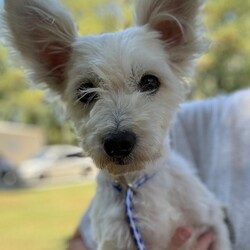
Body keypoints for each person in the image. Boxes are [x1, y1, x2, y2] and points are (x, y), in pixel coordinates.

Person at [68, 89, 250, 250]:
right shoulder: (215, 116)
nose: (119, 136)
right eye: (88, 93)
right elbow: (79, 242)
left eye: (148, 83)